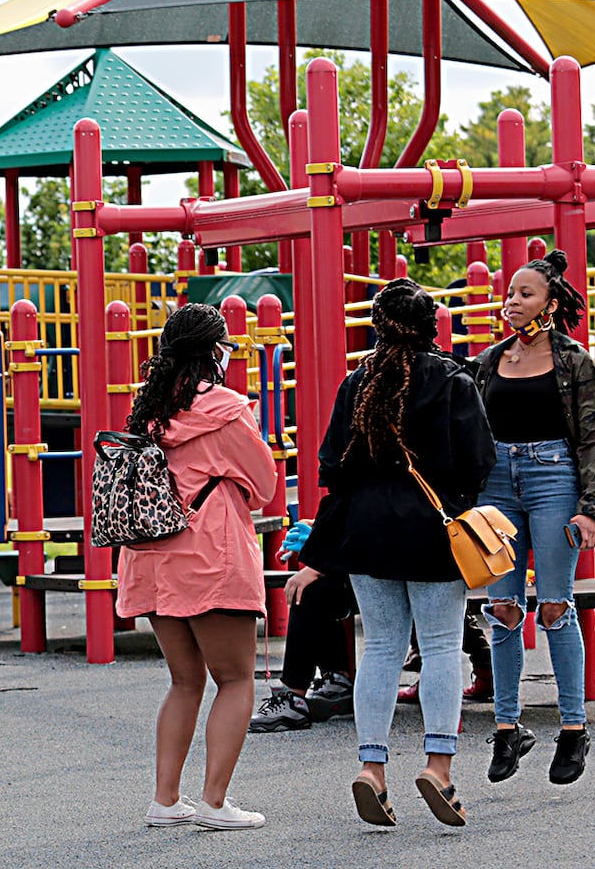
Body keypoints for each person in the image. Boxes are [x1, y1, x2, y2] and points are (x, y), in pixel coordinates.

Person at [296, 278, 494, 828]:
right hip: (434, 530)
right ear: (432, 325)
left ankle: (371, 768)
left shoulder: (357, 383)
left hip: (367, 533)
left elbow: (332, 467)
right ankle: (438, 766)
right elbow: (480, 459)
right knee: (438, 647)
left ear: (377, 328)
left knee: (381, 647)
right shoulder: (454, 378)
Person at [115, 303, 279, 831]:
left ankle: (165, 800)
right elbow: (265, 484)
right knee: (235, 680)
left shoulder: (148, 408)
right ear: (214, 350)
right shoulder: (228, 408)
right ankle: (214, 802)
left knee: (184, 681)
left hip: (151, 559)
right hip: (211, 554)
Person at [470, 249, 595, 786]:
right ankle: (508, 727)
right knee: (501, 608)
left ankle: (573, 728)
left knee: (556, 604)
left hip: (553, 477)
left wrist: (593, 511)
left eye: (525, 293)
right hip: (496, 486)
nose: (512, 301)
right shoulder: (491, 359)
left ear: (551, 304)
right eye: (510, 292)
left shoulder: (574, 361)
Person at [249, 520, 356, 734]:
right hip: (373, 556)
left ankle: (294, 694)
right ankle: (336, 677)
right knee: (315, 588)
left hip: (393, 561)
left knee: (307, 588)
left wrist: (320, 558)